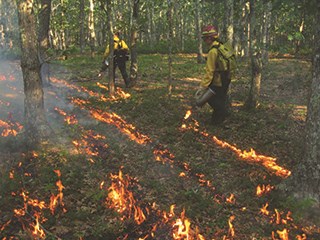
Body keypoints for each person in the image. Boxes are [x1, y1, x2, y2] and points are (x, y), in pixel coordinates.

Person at [194, 25, 232, 124]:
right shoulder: (222, 46)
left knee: (211, 100)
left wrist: (203, 87)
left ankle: (224, 116)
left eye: (205, 38)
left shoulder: (212, 51)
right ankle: (216, 121)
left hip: (217, 81)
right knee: (220, 99)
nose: (204, 40)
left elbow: (209, 72)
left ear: (210, 38)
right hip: (227, 78)